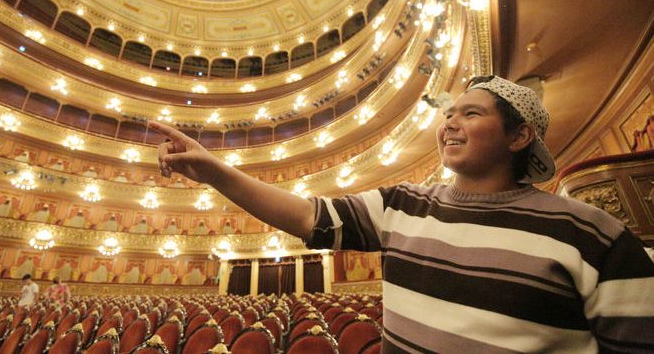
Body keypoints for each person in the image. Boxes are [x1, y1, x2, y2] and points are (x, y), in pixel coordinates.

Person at [150, 75, 654, 352]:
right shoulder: (402, 204)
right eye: (448, 114)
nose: (450, 123)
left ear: (520, 136)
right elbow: (308, 216)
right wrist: (215, 171)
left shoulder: (593, 234)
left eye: (471, 113)